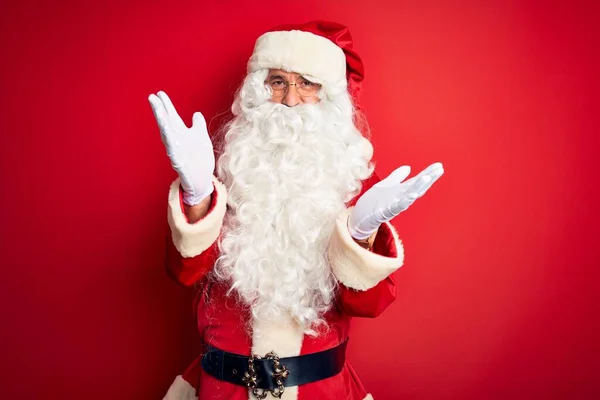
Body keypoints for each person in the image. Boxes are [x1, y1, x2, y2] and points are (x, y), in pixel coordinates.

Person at [149, 20, 444, 400]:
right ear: (258, 89)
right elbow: (183, 273)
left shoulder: (352, 181)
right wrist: (197, 193)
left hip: (319, 391)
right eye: (278, 82)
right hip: (223, 390)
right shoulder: (229, 170)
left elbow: (369, 305)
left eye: (307, 83)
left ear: (330, 97)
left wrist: (360, 233)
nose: (290, 99)